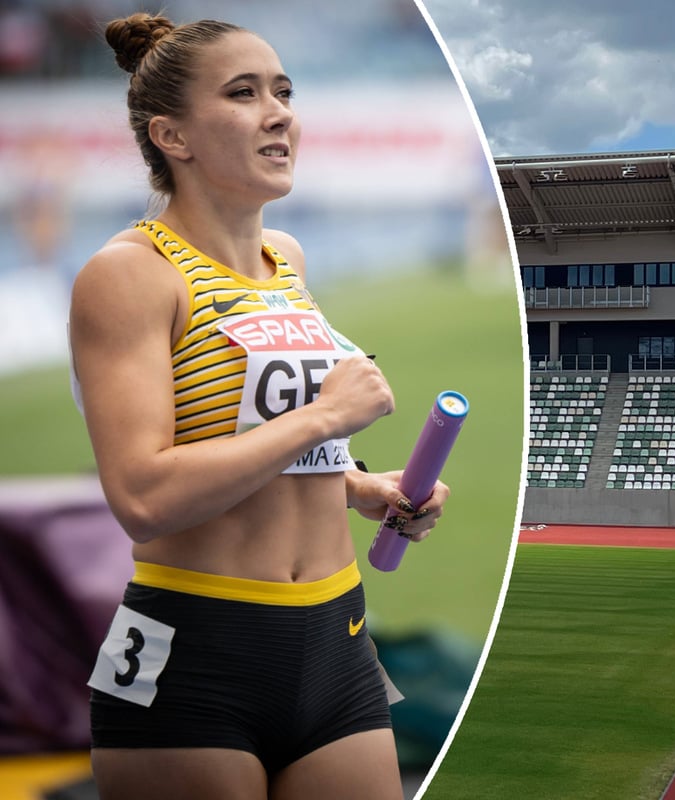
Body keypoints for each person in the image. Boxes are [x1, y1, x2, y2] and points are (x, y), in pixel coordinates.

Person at [68, 12, 449, 800]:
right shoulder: (130, 275)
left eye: (283, 90)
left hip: (335, 634)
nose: (278, 112)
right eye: (243, 94)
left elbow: (247, 432)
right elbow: (144, 497)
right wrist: (321, 419)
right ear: (174, 137)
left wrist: (356, 484)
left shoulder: (286, 261)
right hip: (195, 652)